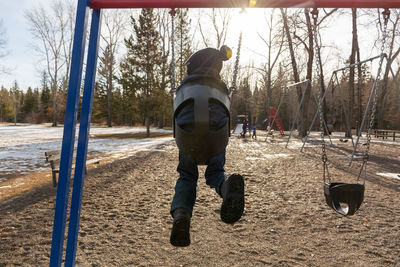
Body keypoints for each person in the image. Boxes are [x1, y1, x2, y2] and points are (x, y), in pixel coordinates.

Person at [170, 46, 245, 247]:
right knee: (216, 172)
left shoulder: (184, 87)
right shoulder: (220, 87)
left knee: (187, 176)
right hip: (216, 138)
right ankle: (227, 186)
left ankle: (181, 216)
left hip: (187, 138)